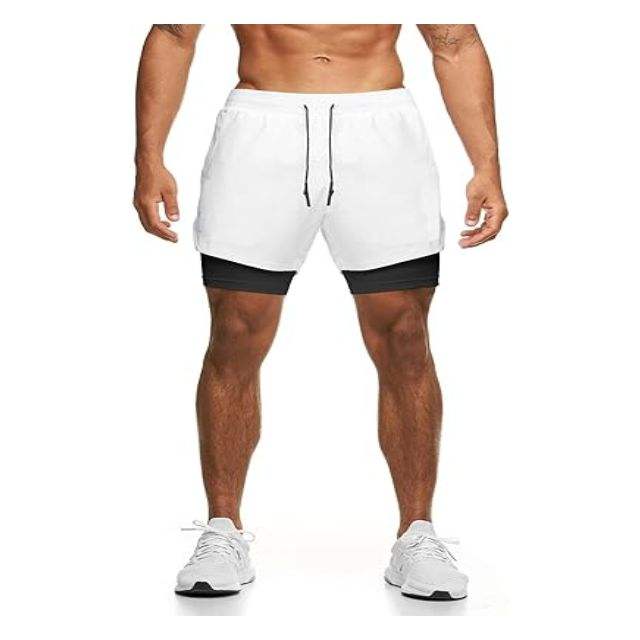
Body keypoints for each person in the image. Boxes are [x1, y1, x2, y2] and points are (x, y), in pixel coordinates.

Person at [134, 24, 508, 600]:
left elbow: (454, 43)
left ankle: (417, 534)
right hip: (261, 128)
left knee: (405, 335)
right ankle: (222, 528)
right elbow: (174, 33)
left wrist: (487, 164)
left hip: (378, 131)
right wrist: (149, 157)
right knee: (234, 332)